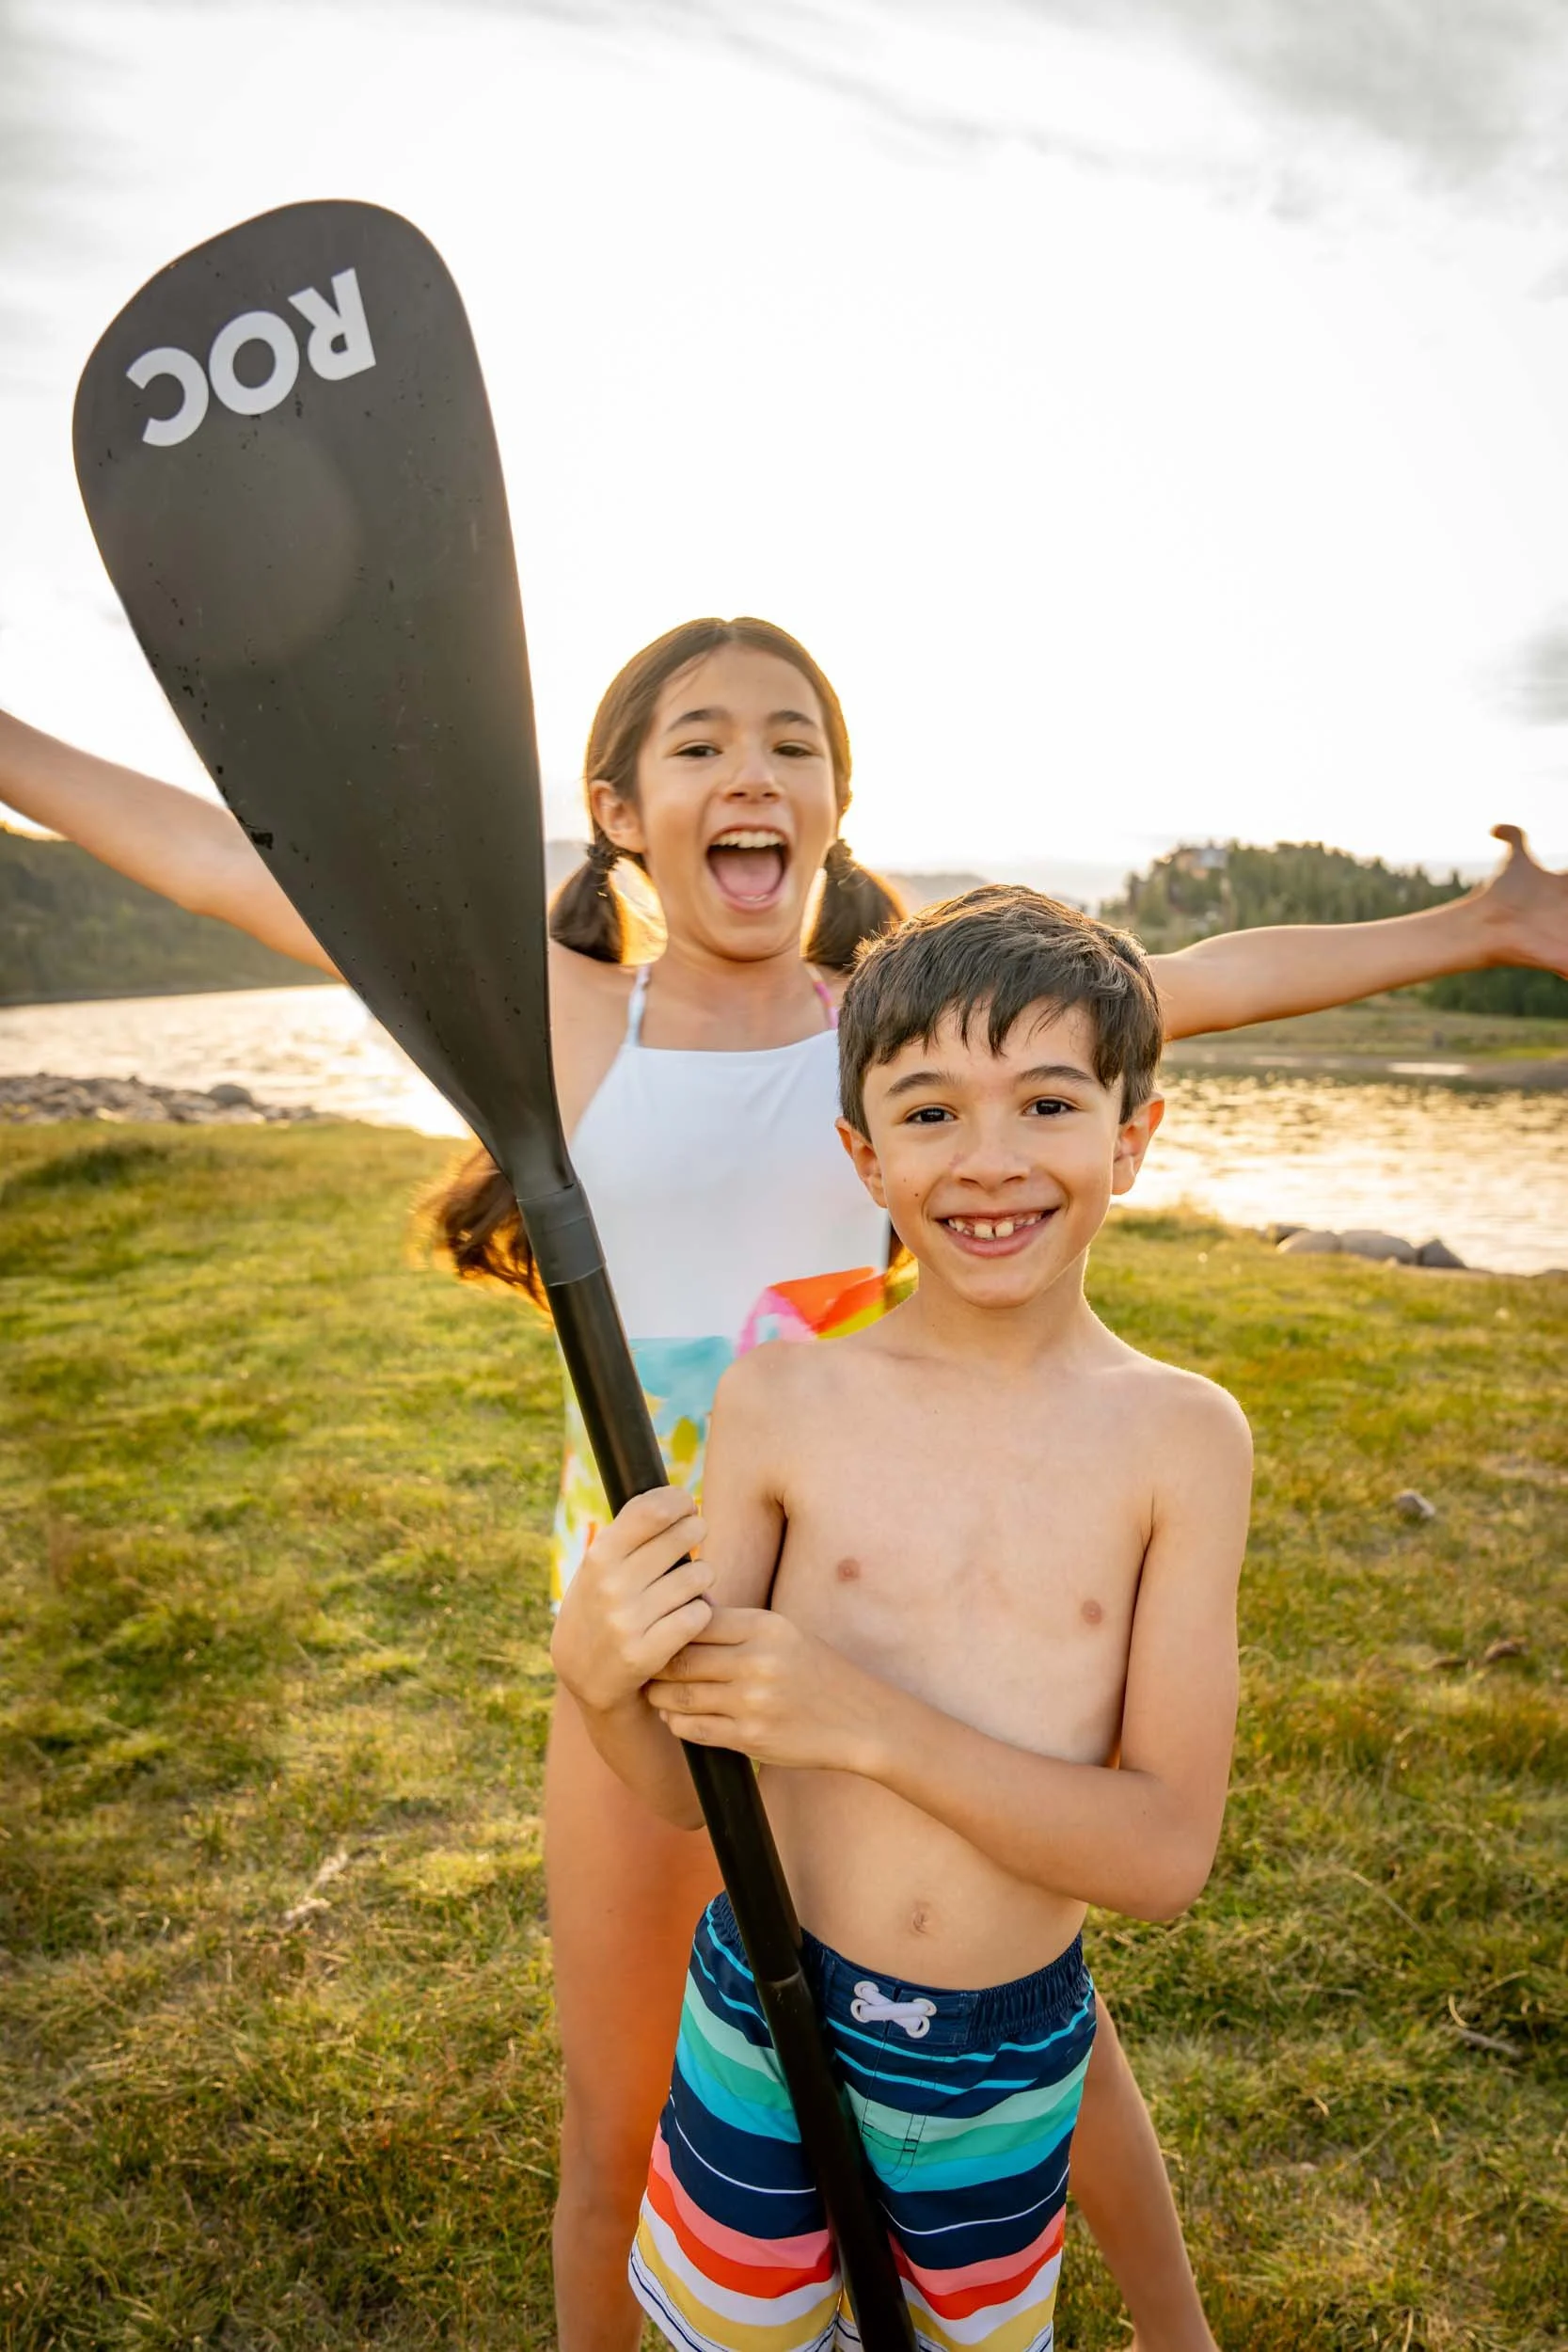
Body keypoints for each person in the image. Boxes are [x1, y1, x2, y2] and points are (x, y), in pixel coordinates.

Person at [1, 624, 1564, 2352]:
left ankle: (1172, 2327)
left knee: (1028, 2012)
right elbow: (239, 869)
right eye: (698, 744)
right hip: (650, 1615)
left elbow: (1197, 969)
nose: (750, 769)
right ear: (619, 814)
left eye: (791, 741)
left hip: (881, 1590)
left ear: (832, 803)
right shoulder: (549, 1012)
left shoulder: (903, 1026)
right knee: (619, 2115)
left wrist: (1479, 926)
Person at [551, 885, 1253, 2352]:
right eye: (928, 1114)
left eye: (1047, 1103)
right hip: (757, 2019)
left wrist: (864, 1723)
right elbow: (690, 1792)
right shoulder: (785, 1400)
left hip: (999, 2070)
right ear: (861, 1156)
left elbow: (1162, 1854)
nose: (987, 1161)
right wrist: (599, 1675)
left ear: (1134, 1134)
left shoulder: (1181, 1442)